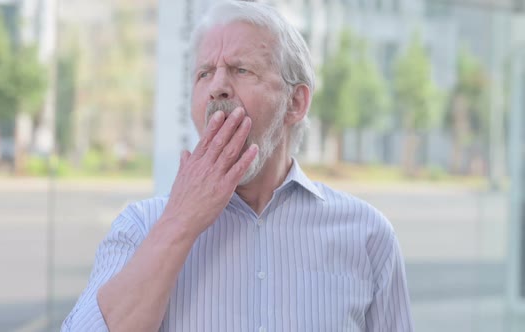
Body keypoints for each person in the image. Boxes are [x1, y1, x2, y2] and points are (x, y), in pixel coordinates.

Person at [62, 1, 413, 331]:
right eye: (204, 73)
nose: (217, 87)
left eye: (240, 70)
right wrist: (180, 221)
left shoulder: (368, 236)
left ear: (296, 102)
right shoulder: (140, 227)